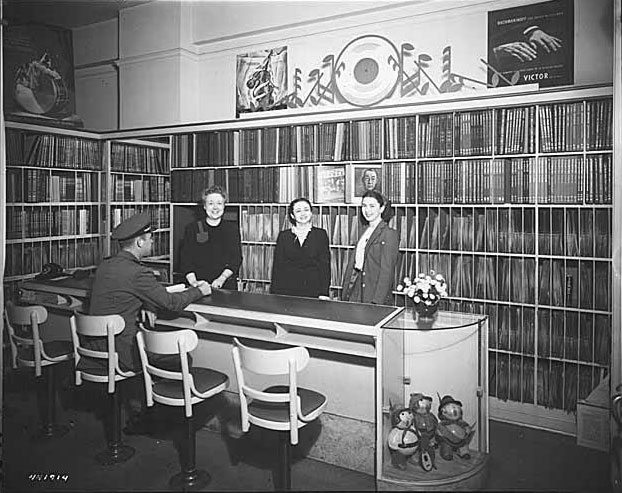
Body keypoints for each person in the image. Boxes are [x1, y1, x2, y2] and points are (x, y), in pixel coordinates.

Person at [87, 212, 212, 432]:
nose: (153, 242)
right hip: (121, 353)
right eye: (151, 238)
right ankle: (157, 422)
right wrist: (199, 290)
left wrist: (146, 304)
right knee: (181, 360)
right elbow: (171, 303)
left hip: (94, 348)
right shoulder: (137, 273)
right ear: (139, 242)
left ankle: (146, 415)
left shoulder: (105, 266)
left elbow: (123, 294)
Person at [341, 190, 399, 305]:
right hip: (356, 287)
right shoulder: (364, 231)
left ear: (381, 208)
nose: (367, 210)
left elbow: (386, 272)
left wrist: (377, 302)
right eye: (364, 206)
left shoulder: (389, 234)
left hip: (372, 291)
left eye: (372, 206)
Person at [179, 185, 242, 290]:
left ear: (224, 205)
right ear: (204, 206)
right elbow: (186, 260)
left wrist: (221, 279)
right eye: (211, 203)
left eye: (219, 203)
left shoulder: (232, 229)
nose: (215, 207)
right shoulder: (192, 228)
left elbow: (235, 260)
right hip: (198, 285)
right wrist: (194, 282)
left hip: (226, 285)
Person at [270, 197, 331, 299]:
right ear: (292, 215)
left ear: (311, 213)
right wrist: (275, 294)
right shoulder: (284, 236)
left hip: (314, 291)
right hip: (287, 291)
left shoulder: (321, 234)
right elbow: (278, 267)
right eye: (298, 211)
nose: (303, 214)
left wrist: (324, 293)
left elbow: (325, 266)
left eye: (306, 210)